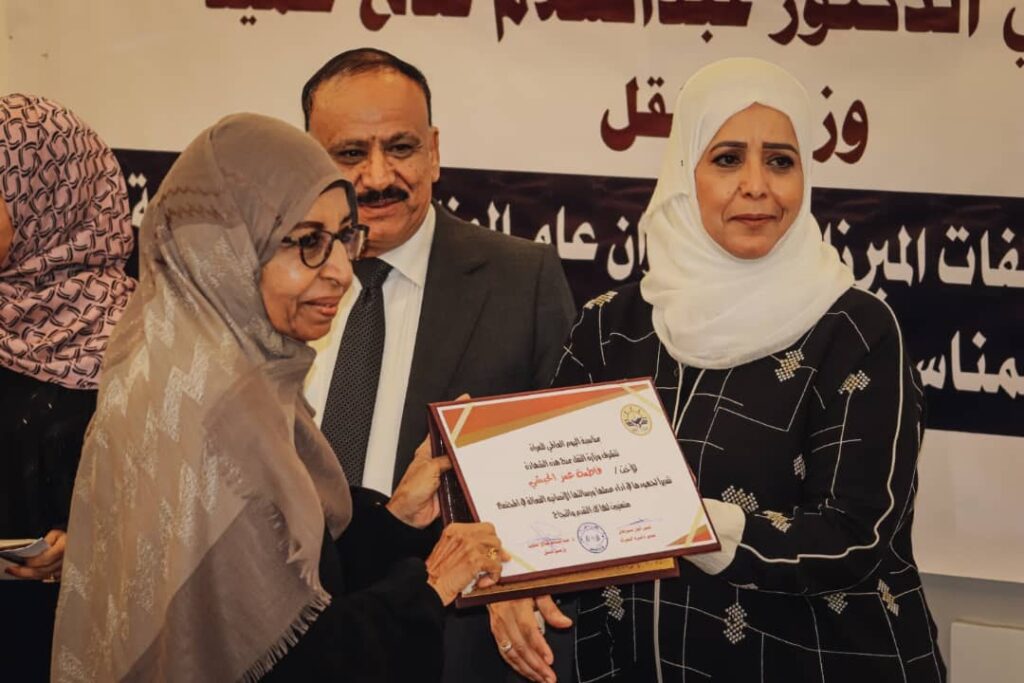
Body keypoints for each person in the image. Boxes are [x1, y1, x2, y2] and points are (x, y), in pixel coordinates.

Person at [488, 58, 945, 682]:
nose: (756, 186)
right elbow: (549, 493)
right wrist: (513, 569)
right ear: (684, 174)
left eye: (780, 161)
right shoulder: (612, 325)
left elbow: (854, 536)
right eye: (727, 159)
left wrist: (688, 524)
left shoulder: (856, 330)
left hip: (820, 662)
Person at [51, 113, 507, 683]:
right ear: (224, 252)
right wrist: (432, 586)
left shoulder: (220, 379)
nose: (342, 272)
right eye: (308, 242)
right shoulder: (215, 416)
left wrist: (397, 517)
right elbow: (288, 661)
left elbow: (298, 573)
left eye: (344, 237)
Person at [300, 47, 578, 681]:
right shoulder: (273, 283)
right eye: (350, 153)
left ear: (434, 151)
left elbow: (570, 469)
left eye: (401, 147)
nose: (378, 177)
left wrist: (517, 571)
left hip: (452, 650)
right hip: (289, 639)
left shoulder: (520, 280)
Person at [0, 94, 136, 682]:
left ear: (49, 196)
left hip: (79, 638)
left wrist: (87, 546)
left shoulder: (139, 338)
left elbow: (173, 503)